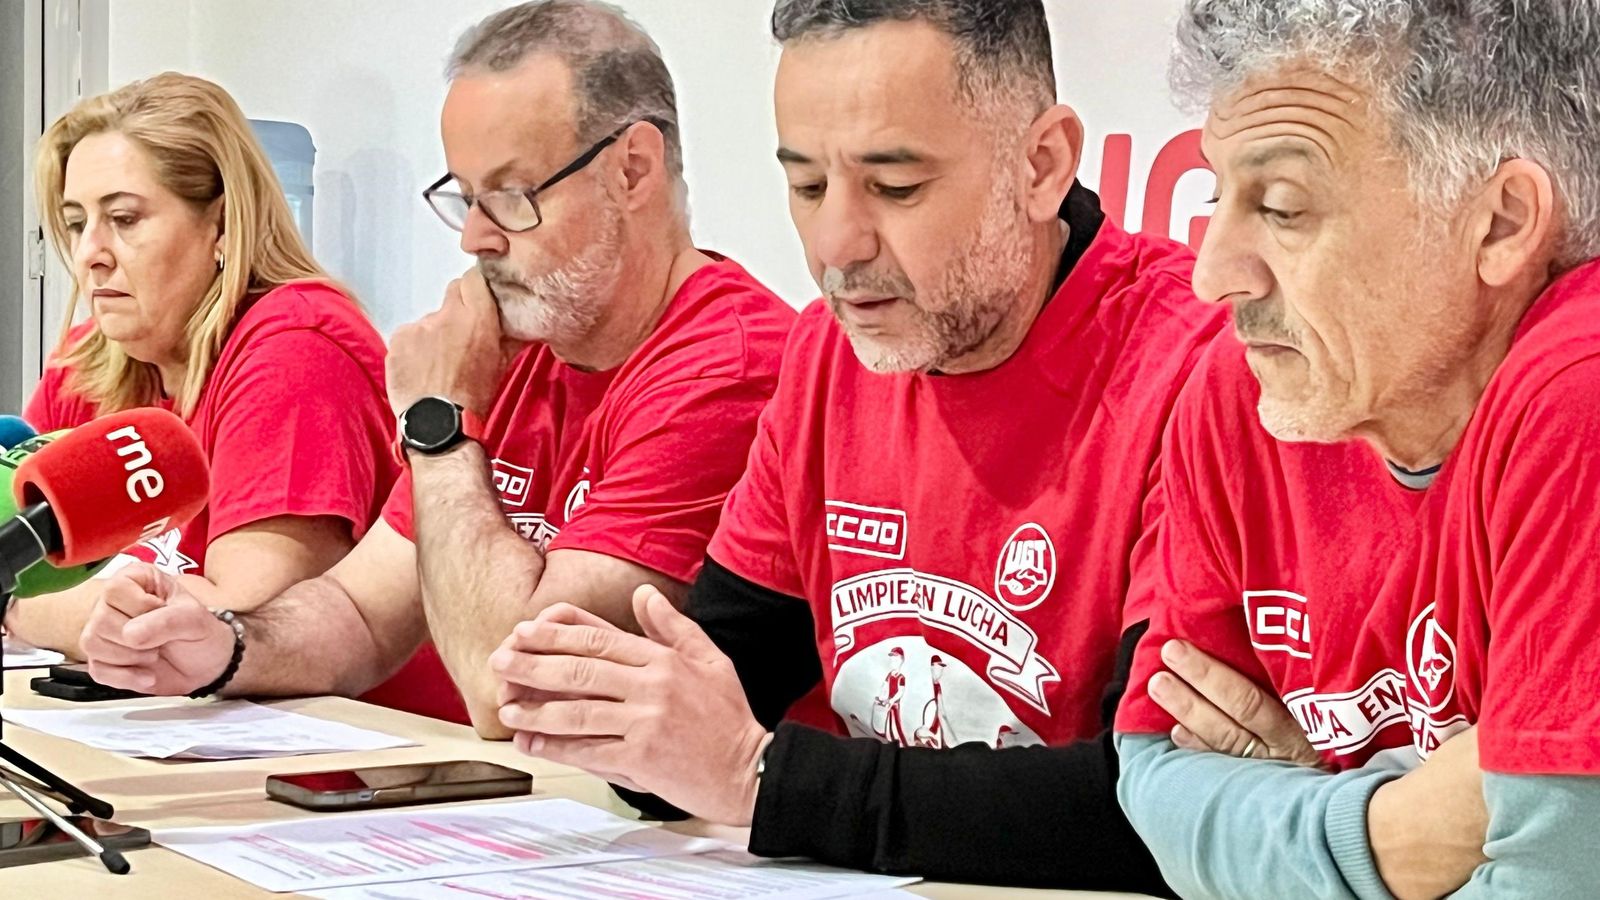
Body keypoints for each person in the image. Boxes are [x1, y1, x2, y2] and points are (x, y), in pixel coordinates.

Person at [484, 0, 1225, 890]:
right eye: (805, 186)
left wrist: (763, 780)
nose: (836, 244)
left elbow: (1156, 806)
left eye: (896, 187)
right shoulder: (831, 351)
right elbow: (723, 685)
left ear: (1042, 164)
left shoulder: (1199, 365)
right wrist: (625, 716)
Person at [76, 0, 794, 732]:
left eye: (510, 196)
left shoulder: (730, 366)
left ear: (632, 170)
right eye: (465, 198)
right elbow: (359, 612)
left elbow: (511, 689)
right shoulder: (518, 339)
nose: (476, 238)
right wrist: (225, 646)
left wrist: (442, 426)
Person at [1113, 1, 1600, 897]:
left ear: (1500, 222)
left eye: (1284, 208)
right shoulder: (1248, 391)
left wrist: (1287, 814)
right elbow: (1151, 788)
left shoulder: (1581, 395)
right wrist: (1382, 824)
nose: (1214, 273)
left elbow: (1559, 875)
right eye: (1221, 195)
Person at [6, 72, 397, 670]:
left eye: (126, 219)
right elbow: (9, 559)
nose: (90, 253)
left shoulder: (298, 350)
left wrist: (27, 604)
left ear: (221, 225)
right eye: (79, 222)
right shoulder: (90, 359)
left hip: (322, 753)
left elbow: (232, 630)